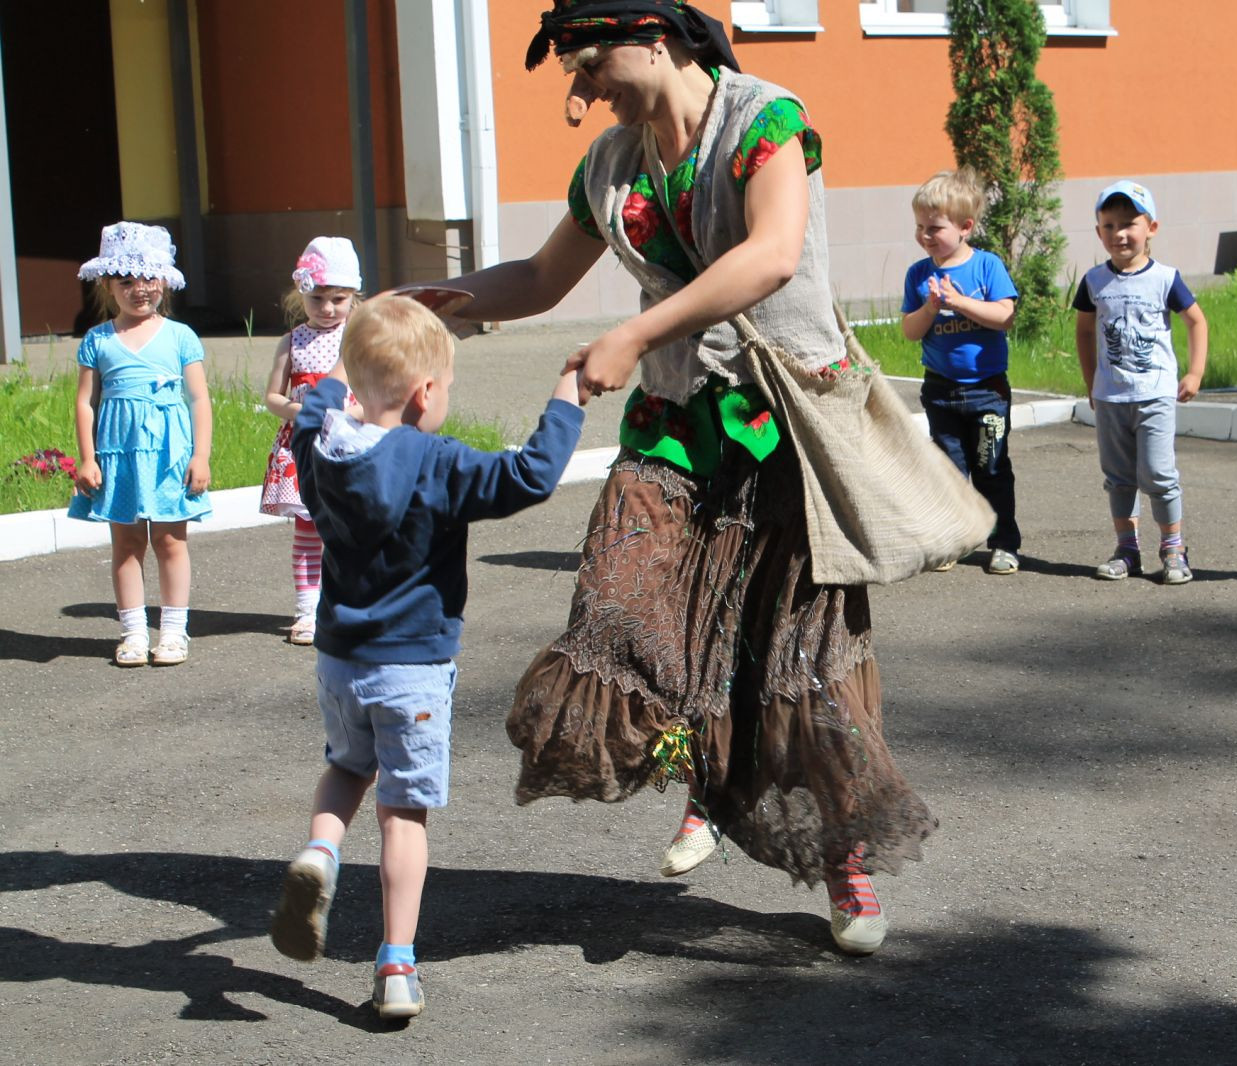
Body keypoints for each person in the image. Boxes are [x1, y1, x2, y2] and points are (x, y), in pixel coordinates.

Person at [421, 0, 938, 957]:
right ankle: (708, 772)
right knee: (621, 608)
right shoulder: (611, 165)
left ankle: (843, 864)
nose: (580, 93)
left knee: (801, 656)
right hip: (674, 421)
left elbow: (772, 256)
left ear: (654, 39)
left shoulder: (766, 120)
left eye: (587, 66)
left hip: (787, 421)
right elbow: (538, 281)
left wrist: (634, 330)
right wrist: (423, 302)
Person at [268, 296, 584, 1019]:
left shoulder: (322, 450)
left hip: (341, 661)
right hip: (412, 667)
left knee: (347, 767)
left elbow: (316, 403)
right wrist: (567, 394)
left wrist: (353, 358)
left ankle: (319, 854)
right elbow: (529, 476)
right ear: (426, 394)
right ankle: (397, 967)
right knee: (403, 814)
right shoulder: (437, 463)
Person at [69, 222, 212, 667]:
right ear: (108, 285)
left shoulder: (180, 336)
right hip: (119, 455)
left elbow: (198, 398)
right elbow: (85, 403)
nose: (139, 289)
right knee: (127, 543)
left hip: (170, 456)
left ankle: (172, 631)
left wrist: (201, 454)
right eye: (126, 280)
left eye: (149, 277)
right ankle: (132, 631)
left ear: (165, 280)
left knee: (171, 541)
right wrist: (88, 457)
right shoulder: (98, 340)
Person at [1073, 180, 1208, 586]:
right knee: (1118, 476)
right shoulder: (1095, 281)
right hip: (1111, 396)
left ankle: (1173, 549)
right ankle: (1127, 550)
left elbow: (1196, 320)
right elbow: (1083, 330)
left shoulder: (1166, 278)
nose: (1120, 233)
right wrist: (1091, 379)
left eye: (1130, 223)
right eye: (1109, 225)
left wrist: (1195, 372)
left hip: (1155, 395)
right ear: (1099, 233)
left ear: (1151, 227)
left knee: (1159, 474)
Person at [901, 167, 1021, 575]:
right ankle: (953, 540)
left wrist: (960, 302)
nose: (925, 236)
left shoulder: (987, 266)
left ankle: (1004, 542)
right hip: (941, 392)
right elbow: (909, 331)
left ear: (965, 227)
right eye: (919, 227)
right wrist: (930, 308)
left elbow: (1005, 316)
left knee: (991, 468)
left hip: (987, 391)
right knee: (949, 473)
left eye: (934, 227)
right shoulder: (919, 275)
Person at [259, 236, 363, 646]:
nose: (327, 308)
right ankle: (307, 611)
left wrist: (347, 415)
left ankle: (350, 604)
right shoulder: (293, 341)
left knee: (353, 526)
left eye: (338, 299)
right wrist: (304, 413)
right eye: (317, 297)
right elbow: (272, 397)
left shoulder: (359, 338)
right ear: (300, 294)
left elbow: (376, 392)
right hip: (304, 446)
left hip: (351, 442)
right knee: (309, 529)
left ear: (354, 295)